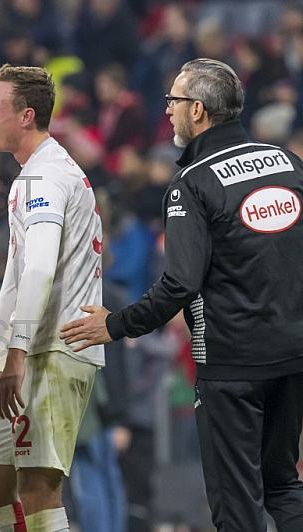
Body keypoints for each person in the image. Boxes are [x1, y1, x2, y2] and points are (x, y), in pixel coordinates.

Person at [60, 58, 303, 532]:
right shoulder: (289, 165)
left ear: (197, 110)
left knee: (237, 506)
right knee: (282, 485)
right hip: (293, 356)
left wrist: (114, 324)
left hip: (232, 367)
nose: (166, 111)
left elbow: (180, 283)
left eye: (173, 101)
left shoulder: (191, 183)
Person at [0, 64, 104, 532]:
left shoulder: (44, 179)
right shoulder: (39, 172)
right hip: (34, 349)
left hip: (52, 349)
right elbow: (14, 278)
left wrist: (15, 354)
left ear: (26, 116)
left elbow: (41, 268)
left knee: (37, 488)